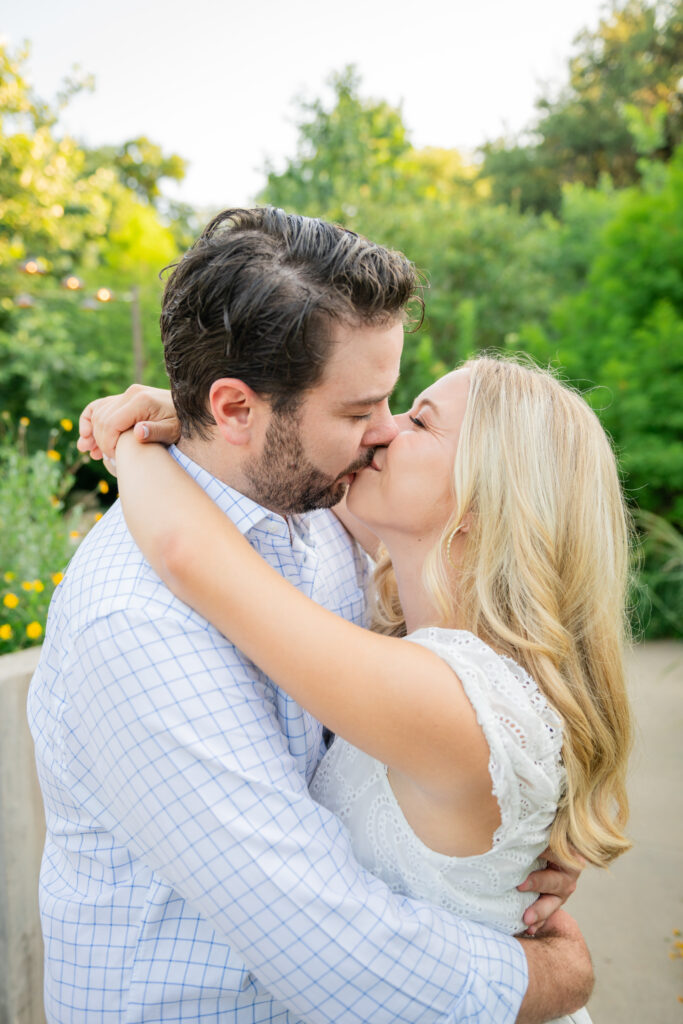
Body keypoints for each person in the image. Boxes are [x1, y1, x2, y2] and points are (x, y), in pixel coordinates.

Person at [30, 207, 591, 1024]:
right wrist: (550, 979)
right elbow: (330, 949)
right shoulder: (136, 621)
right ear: (235, 409)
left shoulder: (320, 512)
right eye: (357, 410)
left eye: (392, 404)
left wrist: (485, 852)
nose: (382, 433)